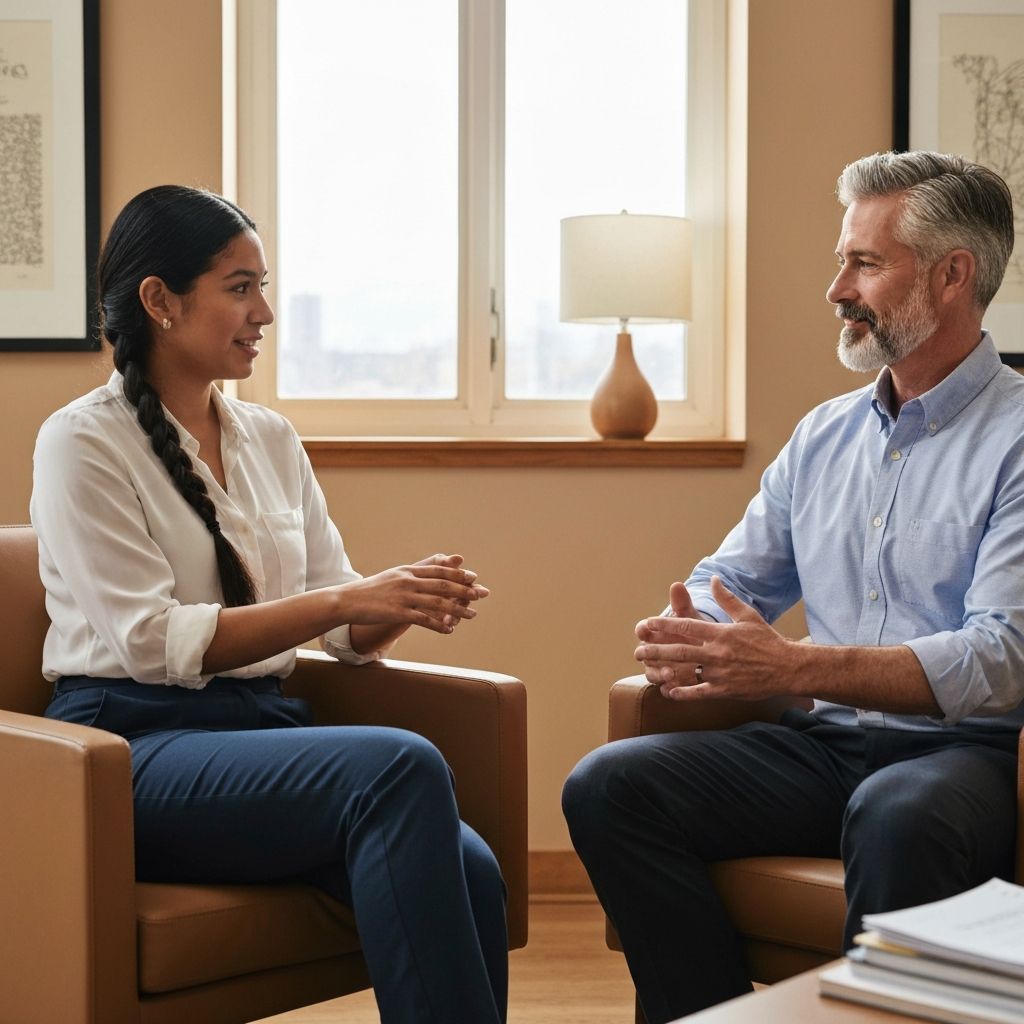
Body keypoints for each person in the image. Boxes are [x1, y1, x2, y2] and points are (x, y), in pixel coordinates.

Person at [562, 150, 1024, 1023]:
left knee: (900, 813)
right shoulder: (824, 435)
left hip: (968, 757)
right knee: (609, 786)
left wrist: (792, 668)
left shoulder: (1018, 438)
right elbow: (731, 577)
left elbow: (1000, 657)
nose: (836, 289)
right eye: (842, 260)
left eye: (865, 263)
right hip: (828, 746)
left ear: (953, 275)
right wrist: (692, 633)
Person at [32, 184, 507, 1024]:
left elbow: (346, 631)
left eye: (264, 286)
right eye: (241, 287)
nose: (266, 313)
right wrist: (346, 597)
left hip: (258, 736)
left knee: (472, 869)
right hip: (130, 748)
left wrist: (400, 596)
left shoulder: (271, 439)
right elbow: (151, 642)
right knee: (399, 766)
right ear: (161, 301)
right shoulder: (82, 440)